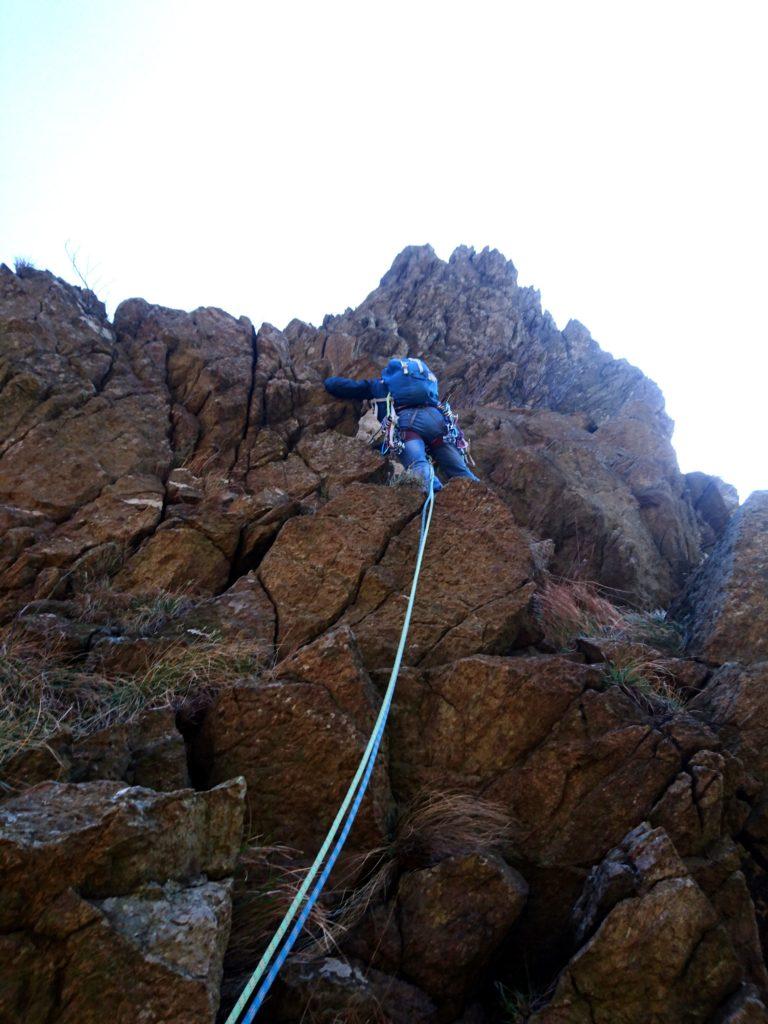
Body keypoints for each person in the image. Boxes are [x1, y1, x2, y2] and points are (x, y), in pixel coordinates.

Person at [324, 357, 480, 492]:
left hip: (408, 423)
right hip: (437, 421)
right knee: (460, 470)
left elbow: (344, 387)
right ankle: (482, 498)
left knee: (418, 464)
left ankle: (434, 497)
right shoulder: (425, 388)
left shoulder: (380, 385)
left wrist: (327, 382)